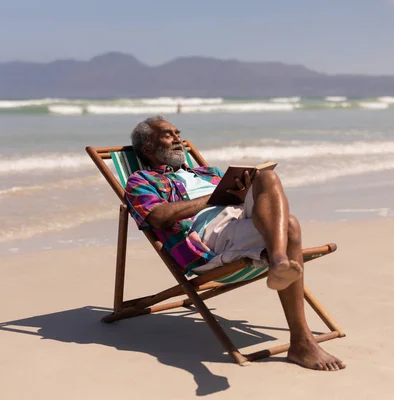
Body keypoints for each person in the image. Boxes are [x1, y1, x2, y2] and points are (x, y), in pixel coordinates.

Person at [125, 115, 345, 371]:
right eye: (167, 134)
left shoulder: (208, 173)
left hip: (238, 219)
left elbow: (250, 203)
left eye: (177, 133)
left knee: (266, 178)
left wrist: (240, 194)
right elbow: (159, 217)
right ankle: (301, 340)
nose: (177, 139)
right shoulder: (141, 180)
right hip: (206, 238)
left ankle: (278, 261)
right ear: (148, 148)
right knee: (290, 227)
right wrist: (215, 198)